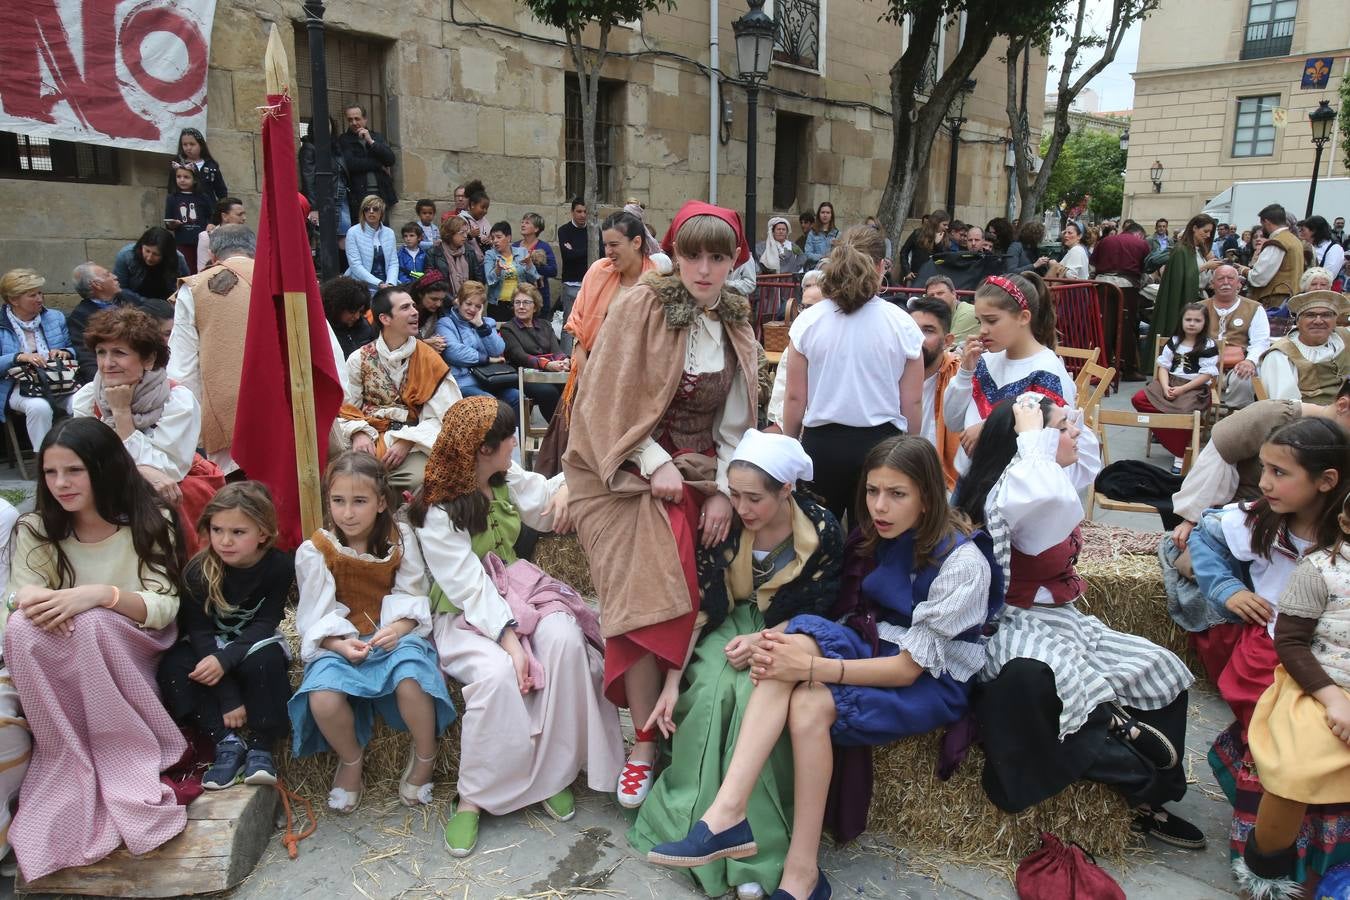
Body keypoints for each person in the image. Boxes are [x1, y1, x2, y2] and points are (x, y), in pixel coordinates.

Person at [649, 435, 1000, 900]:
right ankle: (726, 814)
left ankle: (801, 873)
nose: (880, 506)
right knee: (781, 651)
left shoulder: (963, 563)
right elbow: (842, 615)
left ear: (928, 496)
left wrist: (814, 670)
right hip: (872, 644)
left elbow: (906, 672)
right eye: (873, 491)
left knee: (809, 703)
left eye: (897, 494)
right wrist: (774, 638)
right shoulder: (874, 535)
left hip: (927, 677)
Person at [563, 201, 760, 809]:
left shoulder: (734, 318)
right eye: (691, 255)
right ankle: (643, 743)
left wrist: (726, 490)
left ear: (734, 261)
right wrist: (654, 461)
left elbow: (737, 424)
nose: (703, 269)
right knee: (652, 569)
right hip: (622, 466)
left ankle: (691, 725)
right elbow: (604, 400)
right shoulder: (640, 304)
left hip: (705, 471)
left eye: (717, 257)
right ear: (673, 255)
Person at [957, 395, 1203, 848]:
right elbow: (1043, 495)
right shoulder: (1015, 490)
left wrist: (1048, 432)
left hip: (1062, 618)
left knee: (1159, 664)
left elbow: (1079, 462)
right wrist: (1032, 436)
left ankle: (1153, 793)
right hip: (1011, 623)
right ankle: (1126, 756)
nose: (1076, 434)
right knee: (1066, 680)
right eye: (1065, 428)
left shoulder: (1047, 475)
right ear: (1032, 442)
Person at [630, 430, 844, 898]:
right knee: (707, 688)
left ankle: (758, 854)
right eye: (735, 494)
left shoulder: (823, 530)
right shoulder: (725, 526)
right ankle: (693, 823)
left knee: (751, 695)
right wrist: (671, 683)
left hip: (788, 628)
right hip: (725, 621)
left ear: (786, 490)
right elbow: (702, 606)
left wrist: (767, 637)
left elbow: (820, 612)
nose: (743, 508)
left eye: (754, 498)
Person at [408, 397, 622, 856]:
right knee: (498, 674)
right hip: (466, 612)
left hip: (518, 589)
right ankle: (474, 798)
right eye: (508, 439)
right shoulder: (436, 510)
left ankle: (553, 772)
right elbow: (467, 585)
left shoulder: (504, 478)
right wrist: (510, 640)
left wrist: (573, 485)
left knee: (565, 638)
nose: (515, 445)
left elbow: (546, 503)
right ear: (483, 449)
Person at [3, 417, 187, 880]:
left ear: (102, 469)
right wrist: (29, 598)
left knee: (92, 624)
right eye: (50, 473)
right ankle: (64, 749)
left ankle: (119, 746)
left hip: (132, 639)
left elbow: (164, 605)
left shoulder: (148, 519)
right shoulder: (36, 528)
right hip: (61, 643)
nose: (61, 484)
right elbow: (21, 597)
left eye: (74, 471)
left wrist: (99, 595)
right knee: (23, 629)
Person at [288, 452, 456, 813]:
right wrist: (338, 644)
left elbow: (414, 595)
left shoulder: (401, 540)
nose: (347, 513)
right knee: (323, 697)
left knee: (412, 678)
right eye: (338, 501)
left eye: (359, 502)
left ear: (381, 502)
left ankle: (426, 752)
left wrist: (397, 628)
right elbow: (314, 615)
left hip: (392, 635)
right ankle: (350, 760)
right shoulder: (316, 551)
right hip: (341, 640)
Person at [1236, 515, 1350, 894]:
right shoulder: (1319, 572)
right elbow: (1290, 643)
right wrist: (1334, 700)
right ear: (1345, 523)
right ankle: (1266, 867)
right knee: (1297, 770)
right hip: (1320, 685)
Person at [156, 482, 293, 789]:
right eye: (217, 530)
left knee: (268, 661)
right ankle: (225, 741)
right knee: (174, 666)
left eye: (238, 532)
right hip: (208, 644)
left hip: (252, 642)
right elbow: (200, 631)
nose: (225, 541)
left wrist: (227, 659)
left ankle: (261, 744)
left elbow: (266, 621)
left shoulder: (279, 567)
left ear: (263, 533)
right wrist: (228, 697)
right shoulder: (198, 572)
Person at [781, 226, 924, 522]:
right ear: (882, 266)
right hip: (882, 447)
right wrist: (911, 453)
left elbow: (795, 398)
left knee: (816, 541)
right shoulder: (902, 324)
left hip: (822, 447)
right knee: (873, 541)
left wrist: (790, 447)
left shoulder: (809, 321)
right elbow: (912, 403)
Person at [72, 306, 222, 554]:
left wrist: (121, 414)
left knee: (168, 500)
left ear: (149, 359)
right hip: (109, 485)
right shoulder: (88, 397)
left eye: (119, 353)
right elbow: (85, 461)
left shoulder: (177, 400)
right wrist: (142, 469)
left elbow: (166, 471)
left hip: (172, 488)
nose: (108, 363)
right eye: (101, 352)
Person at [943, 272, 1077, 475]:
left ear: (1023, 317)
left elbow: (1053, 445)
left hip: (1013, 492)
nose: (983, 331)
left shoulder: (1048, 370)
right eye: (980, 322)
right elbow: (953, 421)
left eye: (992, 320)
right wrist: (965, 372)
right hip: (969, 480)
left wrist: (990, 429)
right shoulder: (984, 361)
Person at [340, 286, 461, 490]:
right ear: (385, 319)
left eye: (414, 305)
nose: (415, 311)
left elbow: (447, 414)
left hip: (415, 442)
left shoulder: (429, 359)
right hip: (370, 439)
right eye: (405, 307)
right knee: (350, 480)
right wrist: (357, 433)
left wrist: (407, 441)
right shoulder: (358, 359)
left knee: (416, 480)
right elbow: (346, 409)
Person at [1131, 302, 1218, 472]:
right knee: (1139, 399)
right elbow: (1163, 367)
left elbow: (1206, 375)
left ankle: (1180, 454)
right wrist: (1164, 387)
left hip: (1193, 387)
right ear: (1182, 321)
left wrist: (1182, 390)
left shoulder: (1208, 345)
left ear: (1204, 323)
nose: (1192, 323)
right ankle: (1166, 432)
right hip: (1170, 381)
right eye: (1188, 319)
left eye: (1197, 320)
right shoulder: (1175, 341)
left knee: (1185, 413)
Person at [0, 269, 76, 451]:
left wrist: (65, 352)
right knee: (39, 407)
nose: (39, 299)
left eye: (40, 292)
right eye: (32, 295)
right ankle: (44, 460)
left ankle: (83, 453)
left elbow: (75, 349)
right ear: (14, 300)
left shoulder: (55, 318)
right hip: (18, 386)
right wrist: (18, 357)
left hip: (59, 382)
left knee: (82, 401)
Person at [906, 296, 963, 490]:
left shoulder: (960, 377)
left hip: (943, 485)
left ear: (947, 341)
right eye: (912, 329)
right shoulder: (887, 374)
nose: (918, 338)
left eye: (928, 330)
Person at [438, 280, 520, 408]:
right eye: (468, 303)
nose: (472, 309)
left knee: (517, 397)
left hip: (491, 380)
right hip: (463, 383)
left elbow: (498, 349)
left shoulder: (487, 323)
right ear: (458, 301)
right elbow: (453, 352)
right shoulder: (446, 323)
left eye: (477, 306)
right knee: (489, 402)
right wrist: (487, 359)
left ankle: (515, 429)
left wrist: (481, 326)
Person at [1259, 291, 1350, 404]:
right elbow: (1287, 407)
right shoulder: (1281, 355)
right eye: (1310, 315)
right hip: (1313, 418)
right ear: (1298, 321)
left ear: (1335, 320)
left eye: (1326, 315)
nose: (1318, 321)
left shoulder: (1344, 338)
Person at [1202, 264, 1269, 409]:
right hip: (1204, 364)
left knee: (1243, 378)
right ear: (1212, 284)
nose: (1226, 282)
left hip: (1236, 365)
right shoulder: (1199, 307)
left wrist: (1250, 361)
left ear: (1239, 283)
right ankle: (1194, 420)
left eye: (1230, 278)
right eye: (1220, 279)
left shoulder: (1254, 308)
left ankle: (1236, 420)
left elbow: (1261, 341)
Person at [67, 262, 146, 384]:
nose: (115, 276)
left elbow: (152, 311)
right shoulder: (80, 317)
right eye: (107, 274)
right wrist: (105, 384)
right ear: (97, 285)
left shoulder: (126, 297)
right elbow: (87, 358)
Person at [1092, 220, 1153, 379]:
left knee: (1104, 327)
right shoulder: (1141, 244)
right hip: (1127, 287)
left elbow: (1093, 264)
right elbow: (1146, 267)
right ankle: (1128, 369)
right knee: (1126, 327)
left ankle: (1101, 367)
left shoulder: (1105, 241)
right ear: (1139, 234)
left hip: (1102, 285)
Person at [500, 283, 567, 423]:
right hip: (524, 376)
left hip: (551, 372)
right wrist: (547, 364)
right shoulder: (508, 328)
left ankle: (573, 428)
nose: (521, 306)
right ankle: (559, 432)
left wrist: (564, 361)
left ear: (535, 306)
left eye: (526, 302)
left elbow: (557, 350)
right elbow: (519, 356)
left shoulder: (545, 325)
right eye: (517, 302)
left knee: (573, 386)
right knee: (549, 392)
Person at [766, 270, 824, 431]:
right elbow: (783, 389)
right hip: (788, 422)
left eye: (812, 307)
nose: (805, 312)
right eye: (803, 307)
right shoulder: (796, 340)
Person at [1150, 213, 1219, 342]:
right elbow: (1178, 278)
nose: (1208, 235)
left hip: (1199, 299)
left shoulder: (1200, 250)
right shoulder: (1181, 250)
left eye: (1210, 232)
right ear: (1194, 228)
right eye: (1205, 231)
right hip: (1181, 301)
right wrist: (1206, 266)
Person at [338, 105, 397, 223]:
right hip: (359, 194)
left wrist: (371, 141)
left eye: (357, 118)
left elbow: (390, 159)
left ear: (365, 119)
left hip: (381, 192)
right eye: (350, 120)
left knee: (382, 230)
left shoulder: (377, 137)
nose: (354, 122)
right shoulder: (344, 140)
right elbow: (351, 164)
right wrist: (379, 164)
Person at [1243, 204, 1305, 316]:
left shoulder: (1277, 242)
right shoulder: (1295, 240)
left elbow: (1259, 277)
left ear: (1266, 222)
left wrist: (1244, 271)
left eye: (1262, 224)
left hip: (1275, 301)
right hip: (1291, 298)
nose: (1262, 228)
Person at [299, 116, 352, 236]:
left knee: (344, 238)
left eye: (327, 124)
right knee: (327, 239)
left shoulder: (335, 147)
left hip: (341, 198)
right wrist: (314, 207)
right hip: (325, 201)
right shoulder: (309, 147)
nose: (324, 127)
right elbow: (308, 179)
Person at [483, 222, 539, 321]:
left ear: (508, 238)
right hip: (498, 305)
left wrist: (529, 264)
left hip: (519, 304)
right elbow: (489, 281)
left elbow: (533, 279)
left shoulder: (522, 252)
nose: (495, 241)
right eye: (493, 238)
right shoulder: (490, 255)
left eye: (499, 237)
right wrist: (498, 270)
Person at [114, 227, 188, 301]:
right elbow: (120, 288)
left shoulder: (178, 258)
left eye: (156, 254)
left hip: (166, 303)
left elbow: (185, 286)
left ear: (165, 254)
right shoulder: (125, 255)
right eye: (147, 251)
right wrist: (147, 303)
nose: (149, 258)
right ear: (141, 245)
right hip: (134, 303)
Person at [346, 195, 399, 294]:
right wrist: (379, 283)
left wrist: (391, 283)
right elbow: (355, 265)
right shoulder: (352, 232)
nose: (371, 211)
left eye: (375, 209)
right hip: (360, 286)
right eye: (367, 209)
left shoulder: (389, 233)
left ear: (382, 212)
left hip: (386, 285)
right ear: (363, 212)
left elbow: (393, 262)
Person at [165, 163, 212, 276]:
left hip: (201, 241)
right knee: (187, 270)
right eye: (178, 177)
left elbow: (211, 214)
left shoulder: (202, 197)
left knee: (203, 269)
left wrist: (210, 224)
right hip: (183, 240)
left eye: (186, 177)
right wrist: (172, 224)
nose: (182, 180)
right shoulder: (172, 198)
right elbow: (167, 220)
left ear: (195, 179)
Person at [557, 198, 591, 352]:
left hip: (589, 284)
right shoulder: (564, 230)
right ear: (572, 212)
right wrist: (586, 250)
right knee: (569, 323)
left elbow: (601, 253)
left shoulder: (593, 230)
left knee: (589, 323)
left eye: (585, 212)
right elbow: (568, 256)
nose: (582, 215)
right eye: (579, 211)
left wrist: (576, 250)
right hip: (571, 283)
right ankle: (565, 359)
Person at [426, 215, 486, 299]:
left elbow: (477, 279)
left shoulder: (469, 251)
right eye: (462, 233)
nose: (465, 236)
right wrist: (452, 300)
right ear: (450, 234)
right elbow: (432, 282)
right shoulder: (434, 253)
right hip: (443, 303)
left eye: (466, 232)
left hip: (467, 301)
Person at [323, 275, 378, 359]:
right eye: (352, 312)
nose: (357, 316)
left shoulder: (365, 327)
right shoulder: (325, 331)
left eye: (360, 311)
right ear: (337, 308)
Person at [168, 127, 229, 202]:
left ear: (201, 145)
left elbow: (221, 191)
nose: (188, 148)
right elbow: (171, 189)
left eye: (192, 144)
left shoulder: (211, 166)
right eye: (185, 144)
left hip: (207, 209)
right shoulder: (177, 165)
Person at [516, 213, 558, 317]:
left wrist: (533, 263)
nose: (523, 225)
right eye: (522, 222)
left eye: (527, 223)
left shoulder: (544, 247)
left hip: (538, 296)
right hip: (519, 295)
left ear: (536, 229)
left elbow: (553, 271)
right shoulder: (515, 246)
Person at [196, 197, 247, 273]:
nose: (244, 218)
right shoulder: (206, 237)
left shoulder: (246, 236)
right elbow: (202, 269)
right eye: (239, 215)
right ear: (224, 216)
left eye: (244, 214)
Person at [923, 274, 978, 343]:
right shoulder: (935, 315)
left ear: (954, 294)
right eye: (931, 295)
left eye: (940, 293)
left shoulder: (968, 312)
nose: (935, 298)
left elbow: (948, 347)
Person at [899, 209, 950, 283]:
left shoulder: (945, 238)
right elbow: (904, 252)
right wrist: (907, 271)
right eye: (944, 225)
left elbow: (945, 258)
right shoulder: (918, 234)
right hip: (917, 276)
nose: (947, 228)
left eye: (947, 225)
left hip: (936, 279)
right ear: (936, 223)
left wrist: (938, 244)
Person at [409, 270, 450, 354]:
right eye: (434, 299)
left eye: (441, 299)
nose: (439, 304)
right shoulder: (402, 309)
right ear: (420, 294)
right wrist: (425, 343)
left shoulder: (439, 312)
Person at [1300, 215, 1345, 286]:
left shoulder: (1335, 249)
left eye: (1303, 230)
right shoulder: (1307, 246)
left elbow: (1329, 276)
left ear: (1313, 231)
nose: (1300, 233)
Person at [460, 180, 492, 263]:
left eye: (487, 208)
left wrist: (491, 240)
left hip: (485, 263)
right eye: (482, 207)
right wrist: (469, 236)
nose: (485, 211)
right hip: (468, 264)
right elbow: (452, 241)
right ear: (473, 205)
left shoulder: (485, 221)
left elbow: (491, 236)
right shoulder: (460, 220)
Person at [802, 202, 838, 269]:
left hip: (832, 267)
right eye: (822, 212)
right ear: (819, 214)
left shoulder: (837, 233)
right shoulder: (812, 233)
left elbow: (841, 255)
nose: (825, 215)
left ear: (831, 215)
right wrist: (822, 257)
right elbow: (807, 254)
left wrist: (836, 247)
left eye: (828, 213)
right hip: (815, 267)